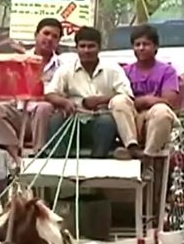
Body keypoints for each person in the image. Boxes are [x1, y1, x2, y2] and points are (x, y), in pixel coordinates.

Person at [43, 26, 134, 158]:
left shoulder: (113, 69)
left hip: (101, 122)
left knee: (106, 121)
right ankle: (59, 161)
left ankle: (97, 162)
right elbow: (50, 93)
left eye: (91, 46)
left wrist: (100, 100)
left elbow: (127, 96)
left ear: (99, 48)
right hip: (74, 121)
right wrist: (65, 102)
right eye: (82, 46)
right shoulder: (66, 70)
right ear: (76, 48)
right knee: (56, 119)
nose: (86, 50)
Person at [0, 18, 61, 160]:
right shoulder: (21, 60)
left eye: (54, 36)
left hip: (46, 118)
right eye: (46, 33)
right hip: (21, 113)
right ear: (36, 35)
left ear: (58, 41)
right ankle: (15, 157)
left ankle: (39, 153)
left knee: (44, 107)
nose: (49, 39)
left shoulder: (62, 65)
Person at [122, 25, 178, 158]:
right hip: (132, 118)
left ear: (155, 47)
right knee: (118, 101)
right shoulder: (125, 71)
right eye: (137, 44)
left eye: (146, 44)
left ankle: (148, 156)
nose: (141, 48)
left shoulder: (167, 71)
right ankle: (131, 147)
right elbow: (123, 101)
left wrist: (144, 101)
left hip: (156, 118)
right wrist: (147, 101)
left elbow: (169, 101)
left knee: (162, 111)